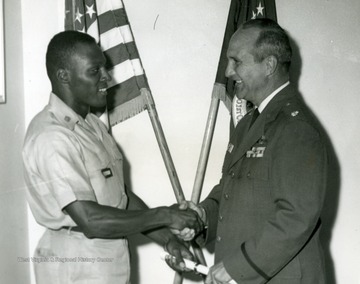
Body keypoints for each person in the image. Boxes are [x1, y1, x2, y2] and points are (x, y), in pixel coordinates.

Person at [22, 30, 203, 284]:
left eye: (104, 68)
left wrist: (169, 240)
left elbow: (120, 199)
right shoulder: (52, 136)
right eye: (94, 71)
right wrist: (165, 215)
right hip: (75, 261)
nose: (107, 77)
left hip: (106, 254)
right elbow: (91, 219)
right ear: (64, 76)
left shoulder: (91, 125)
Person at [178, 18, 329, 283]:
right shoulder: (249, 122)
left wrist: (238, 267)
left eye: (237, 61)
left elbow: (296, 216)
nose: (227, 72)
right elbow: (231, 189)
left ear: (268, 65)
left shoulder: (295, 127)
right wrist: (202, 216)